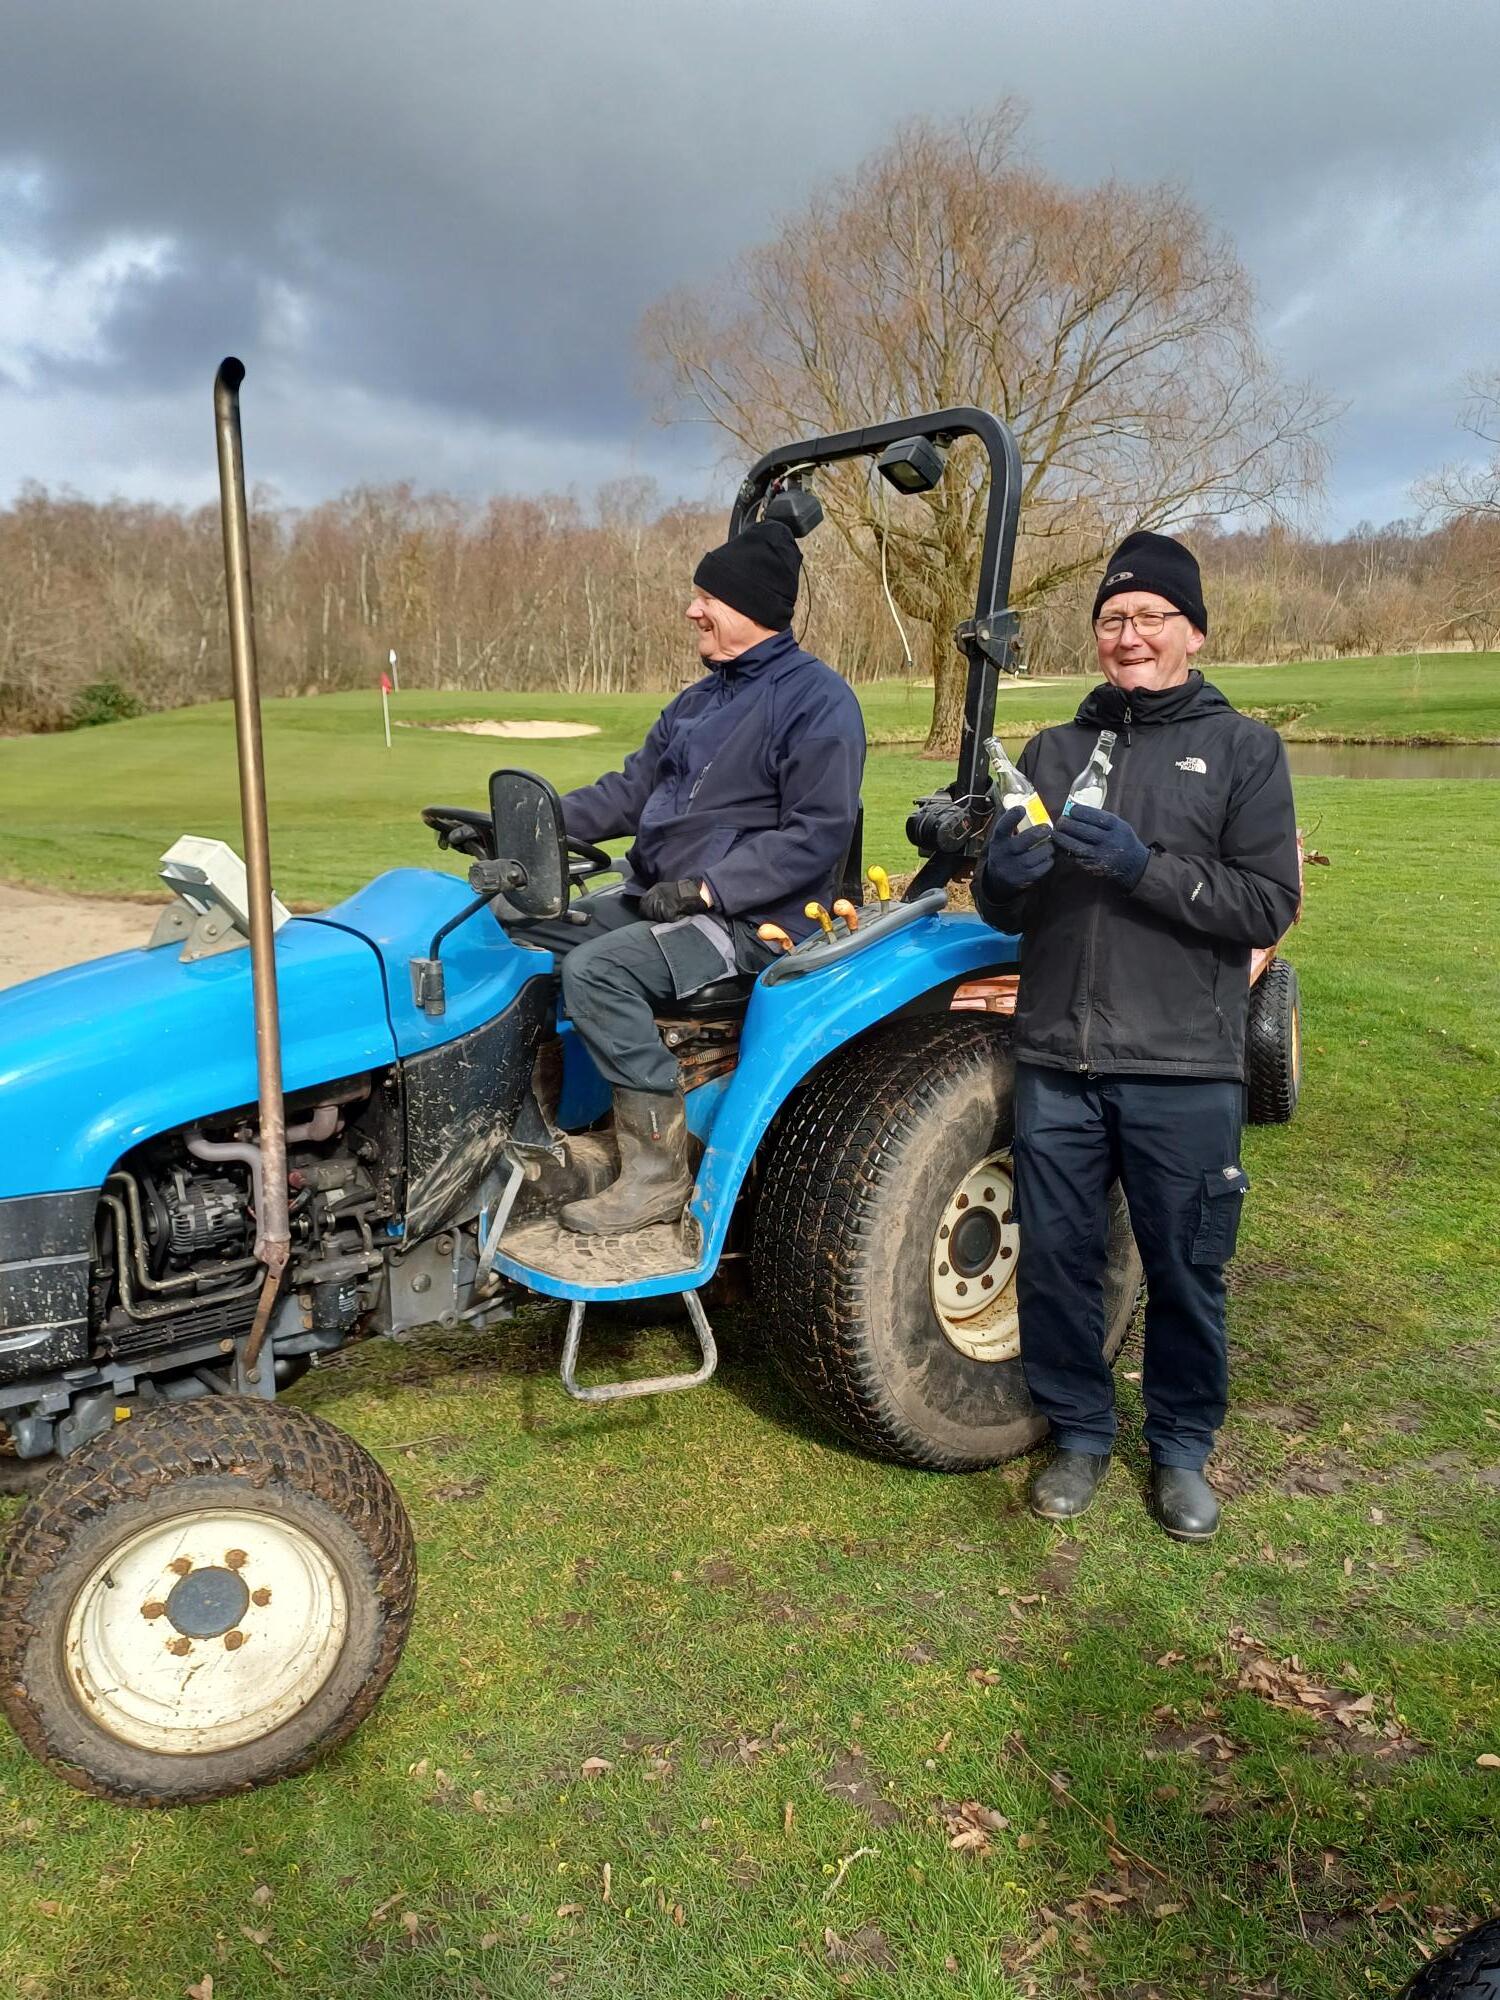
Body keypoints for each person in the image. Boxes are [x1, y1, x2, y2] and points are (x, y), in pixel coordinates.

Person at [973, 531, 1300, 1541]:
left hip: (1183, 1064)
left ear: (1193, 631)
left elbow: (1267, 901)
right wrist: (1002, 881)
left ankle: (1182, 1446)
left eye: (1153, 616)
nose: (1131, 635)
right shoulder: (1052, 751)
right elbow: (1003, 904)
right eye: (1114, 618)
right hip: (1058, 1058)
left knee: (1185, 1267)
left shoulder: (1244, 749)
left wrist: (1142, 865)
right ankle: (1078, 1430)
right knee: (1058, 1260)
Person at [528, 518, 865, 1237]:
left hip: (753, 920)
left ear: (751, 607)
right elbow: (628, 791)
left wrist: (711, 887)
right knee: (518, 929)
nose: (692, 610)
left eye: (707, 597)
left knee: (597, 973)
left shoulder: (819, 702)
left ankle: (657, 1171)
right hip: (660, 896)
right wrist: (535, 824)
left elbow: (817, 831)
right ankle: (528, 1128)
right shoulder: (696, 702)